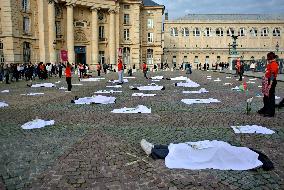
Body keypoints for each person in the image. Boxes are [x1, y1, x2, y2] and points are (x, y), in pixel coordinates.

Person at [140, 139, 273, 171]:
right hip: (213, 147)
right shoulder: (244, 152)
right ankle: (155, 147)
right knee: (183, 146)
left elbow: (227, 159)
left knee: (184, 151)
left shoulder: (246, 156)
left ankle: (153, 151)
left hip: (213, 152)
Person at [258, 52, 279, 117]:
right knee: (266, 96)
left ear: (270, 57)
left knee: (270, 97)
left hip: (271, 81)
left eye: (268, 57)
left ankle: (271, 112)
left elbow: (273, 75)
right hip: (267, 80)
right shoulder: (270, 63)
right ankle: (266, 108)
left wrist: (270, 84)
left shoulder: (274, 64)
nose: (267, 59)